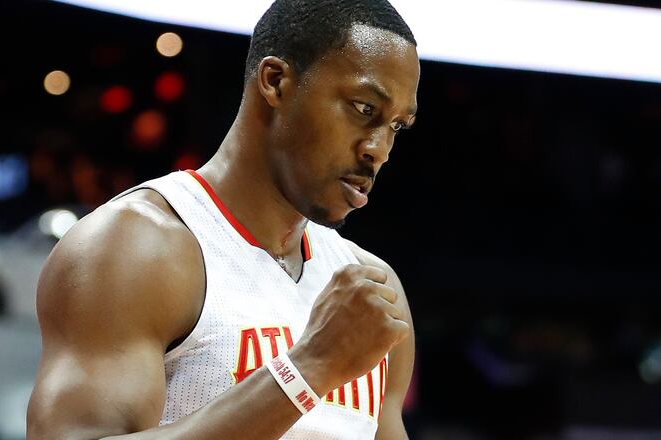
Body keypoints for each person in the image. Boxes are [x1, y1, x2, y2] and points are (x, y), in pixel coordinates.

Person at [26, 0, 420, 438]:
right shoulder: (133, 248)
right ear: (276, 82)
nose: (378, 150)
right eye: (364, 109)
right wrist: (308, 369)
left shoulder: (375, 286)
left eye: (396, 126)